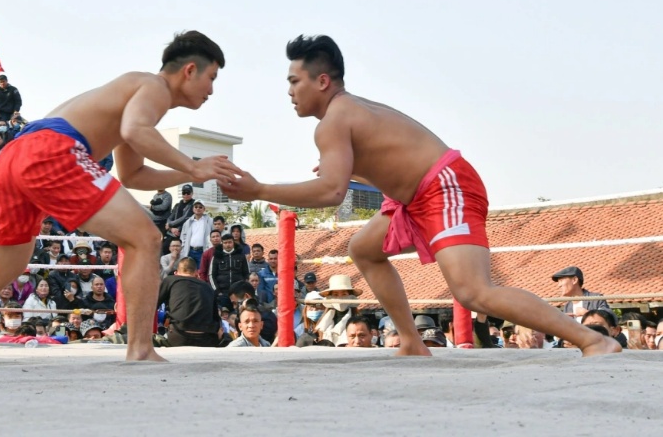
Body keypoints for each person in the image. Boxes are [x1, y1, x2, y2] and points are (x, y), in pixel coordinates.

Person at [219, 34, 620, 358]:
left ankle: (592, 338)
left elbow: (331, 192)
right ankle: (411, 340)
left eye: (294, 81)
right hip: (414, 195)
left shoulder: (335, 120)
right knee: (364, 248)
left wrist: (260, 189)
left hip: (445, 186)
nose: (289, 91)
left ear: (322, 81)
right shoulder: (346, 112)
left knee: (473, 291)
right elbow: (384, 165)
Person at [0, 30, 239, 366]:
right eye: (212, 77)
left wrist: (194, 171)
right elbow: (137, 132)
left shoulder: (136, 98)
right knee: (146, 237)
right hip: (52, 150)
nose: (212, 89)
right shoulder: (153, 86)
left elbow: (134, 176)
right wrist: (193, 168)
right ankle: (141, 348)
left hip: (16, 157)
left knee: (4, 268)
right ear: (189, 70)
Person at [158, 256, 221, 347]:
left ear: (176, 273)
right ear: (197, 273)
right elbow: (216, 317)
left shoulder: (170, 280)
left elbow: (153, 306)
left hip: (178, 336)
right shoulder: (208, 287)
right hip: (206, 338)